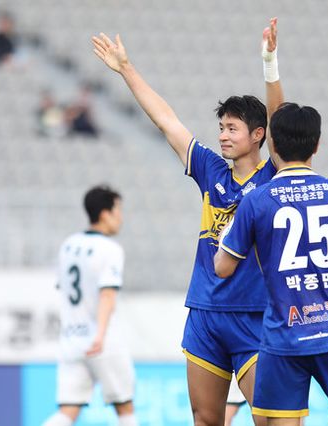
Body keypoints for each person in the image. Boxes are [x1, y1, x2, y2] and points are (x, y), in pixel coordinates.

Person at [91, 26, 278, 426]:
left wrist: (269, 62)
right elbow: (167, 121)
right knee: (205, 419)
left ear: (258, 135)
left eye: (232, 129)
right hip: (205, 314)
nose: (222, 136)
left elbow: (280, 123)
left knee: (268, 419)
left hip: (255, 315)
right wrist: (126, 69)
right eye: (221, 127)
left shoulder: (272, 178)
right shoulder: (211, 170)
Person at [214, 100, 328, 425]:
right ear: (316, 145)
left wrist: (227, 233)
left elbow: (222, 267)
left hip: (283, 337)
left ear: (272, 143)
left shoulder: (256, 201)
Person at [43, 186, 137, 426]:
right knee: (125, 408)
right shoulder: (110, 249)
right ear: (105, 214)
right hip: (102, 340)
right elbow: (107, 295)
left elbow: (63, 289)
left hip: (71, 339)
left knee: (67, 411)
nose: (121, 218)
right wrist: (100, 335)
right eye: (118, 211)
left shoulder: (68, 245)